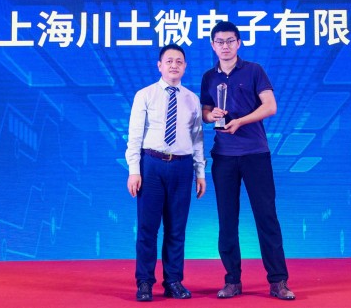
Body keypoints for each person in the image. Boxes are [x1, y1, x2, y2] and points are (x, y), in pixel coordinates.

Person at [200, 21, 295, 301]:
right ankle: (232, 280)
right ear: (213, 45)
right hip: (223, 156)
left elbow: (270, 106)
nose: (225, 46)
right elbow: (205, 112)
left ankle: (278, 281)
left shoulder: (254, 70)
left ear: (239, 43)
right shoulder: (209, 77)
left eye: (230, 41)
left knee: (266, 217)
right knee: (227, 220)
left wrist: (241, 121)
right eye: (219, 41)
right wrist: (212, 116)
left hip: (255, 153)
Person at [126, 43, 206, 302]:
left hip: (182, 167)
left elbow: (197, 139)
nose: (174, 65)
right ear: (159, 65)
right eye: (169, 61)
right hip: (152, 165)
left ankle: (173, 281)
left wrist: (200, 172)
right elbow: (135, 135)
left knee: (176, 228)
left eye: (179, 61)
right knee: (147, 228)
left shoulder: (192, 99)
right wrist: (134, 170)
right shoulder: (145, 95)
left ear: (185, 67)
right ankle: (144, 282)